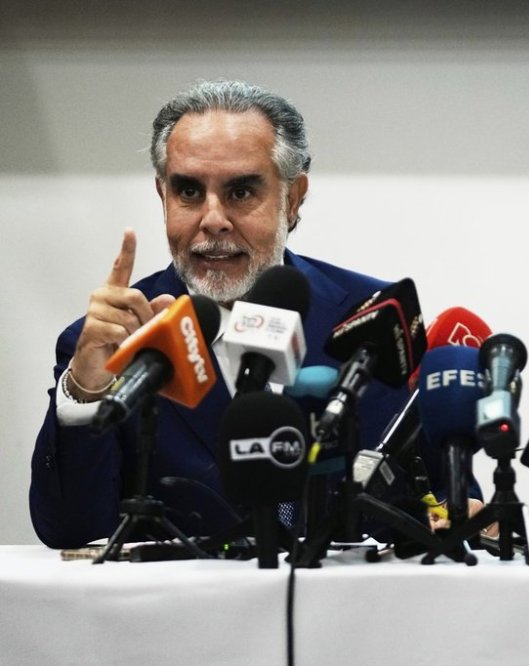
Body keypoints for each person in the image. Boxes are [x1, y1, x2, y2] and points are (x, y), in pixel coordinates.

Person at [29, 80, 464, 549]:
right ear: (162, 196)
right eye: (189, 191)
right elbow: (72, 533)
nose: (212, 219)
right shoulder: (116, 341)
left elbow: (441, 504)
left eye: (240, 192)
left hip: (355, 614)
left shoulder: (378, 320)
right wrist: (87, 392)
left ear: (293, 198)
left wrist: (464, 513)